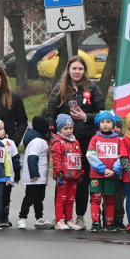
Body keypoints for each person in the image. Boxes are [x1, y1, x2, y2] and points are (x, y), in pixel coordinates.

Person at [44, 55, 105, 230]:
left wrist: (86, 117)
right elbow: (50, 111)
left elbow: (102, 113)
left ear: (84, 70)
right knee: (62, 177)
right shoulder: (60, 87)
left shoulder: (92, 88)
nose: (77, 72)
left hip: (85, 139)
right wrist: (54, 132)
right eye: (74, 69)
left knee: (81, 178)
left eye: (80, 69)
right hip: (64, 142)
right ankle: (60, 217)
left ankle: (79, 216)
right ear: (68, 70)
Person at [86, 110, 122, 233]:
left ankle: (109, 222)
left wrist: (114, 170)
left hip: (112, 175)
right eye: (102, 122)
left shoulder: (118, 140)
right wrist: (103, 168)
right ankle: (95, 222)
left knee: (110, 199)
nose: (105, 124)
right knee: (96, 198)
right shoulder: (95, 139)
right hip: (97, 175)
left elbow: (120, 157)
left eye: (108, 122)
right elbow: (91, 155)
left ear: (113, 124)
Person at [18, 117, 53, 230]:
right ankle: (22, 218)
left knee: (39, 199)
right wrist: (34, 174)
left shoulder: (40, 140)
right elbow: (32, 158)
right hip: (35, 177)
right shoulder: (38, 142)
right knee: (30, 198)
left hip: (41, 177)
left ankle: (39, 218)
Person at [51, 114, 83, 230]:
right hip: (63, 175)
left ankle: (69, 219)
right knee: (61, 198)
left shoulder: (75, 142)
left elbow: (79, 157)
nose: (69, 131)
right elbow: (56, 158)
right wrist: (59, 172)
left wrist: (80, 172)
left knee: (71, 199)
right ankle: (60, 220)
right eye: (65, 128)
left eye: (70, 128)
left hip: (74, 175)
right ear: (60, 129)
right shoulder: (58, 143)